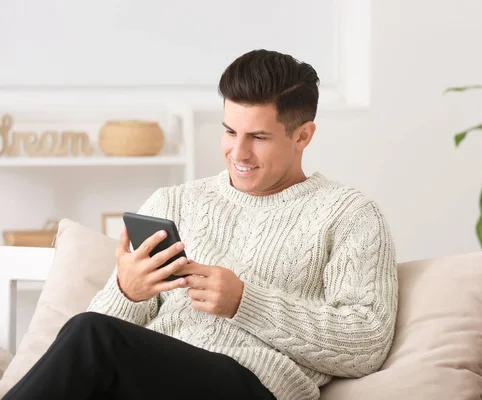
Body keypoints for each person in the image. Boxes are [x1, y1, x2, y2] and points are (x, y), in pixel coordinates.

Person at [3, 49, 399, 400]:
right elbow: (93, 354)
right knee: (92, 339)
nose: (238, 152)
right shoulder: (174, 202)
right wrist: (128, 291)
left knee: (91, 334)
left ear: (303, 135)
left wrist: (246, 303)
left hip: (248, 384)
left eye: (258, 137)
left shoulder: (349, 214)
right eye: (229, 131)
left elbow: (366, 342)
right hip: (144, 380)